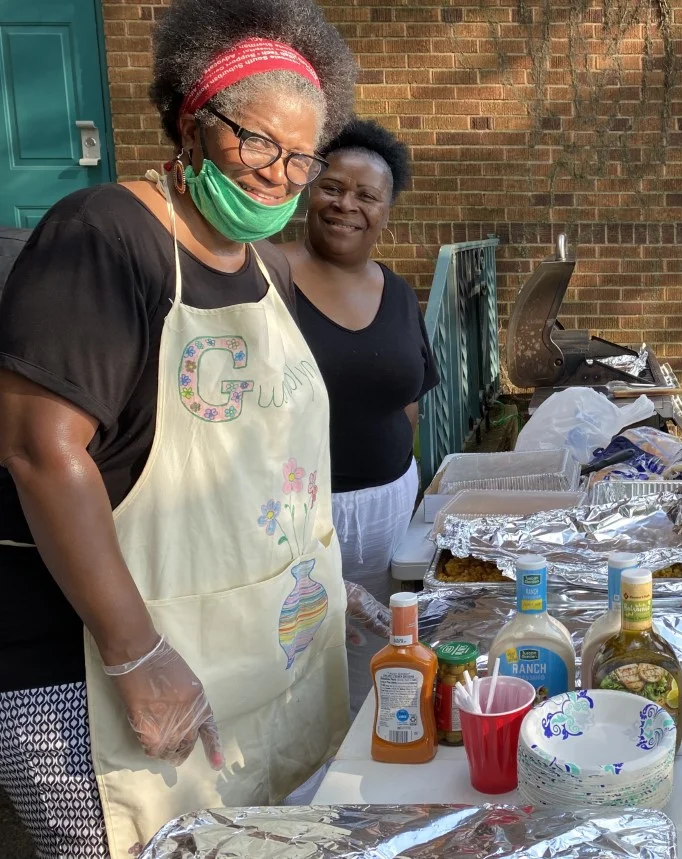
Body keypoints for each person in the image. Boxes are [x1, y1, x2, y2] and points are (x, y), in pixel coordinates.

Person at [0, 2, 363, 857]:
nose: (279, 176)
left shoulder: (268, 267)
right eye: (258, 142)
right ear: (193, 123)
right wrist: (135, 654)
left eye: (302, 157)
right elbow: (40, 450)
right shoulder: (102, 237)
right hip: (96, 668)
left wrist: (325, 581)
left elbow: (267, 462)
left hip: (250, 659)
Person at [281, 119, 439, 716]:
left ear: (386, 213)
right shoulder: (266, 279)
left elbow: (409, 399)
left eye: (367, 195)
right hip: (296, 522)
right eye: (333, 187)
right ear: (308, 190)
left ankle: (358, 757)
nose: (346, 204)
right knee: (292, 665)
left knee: (371, 660)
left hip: (388, 515)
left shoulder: (398, 294)